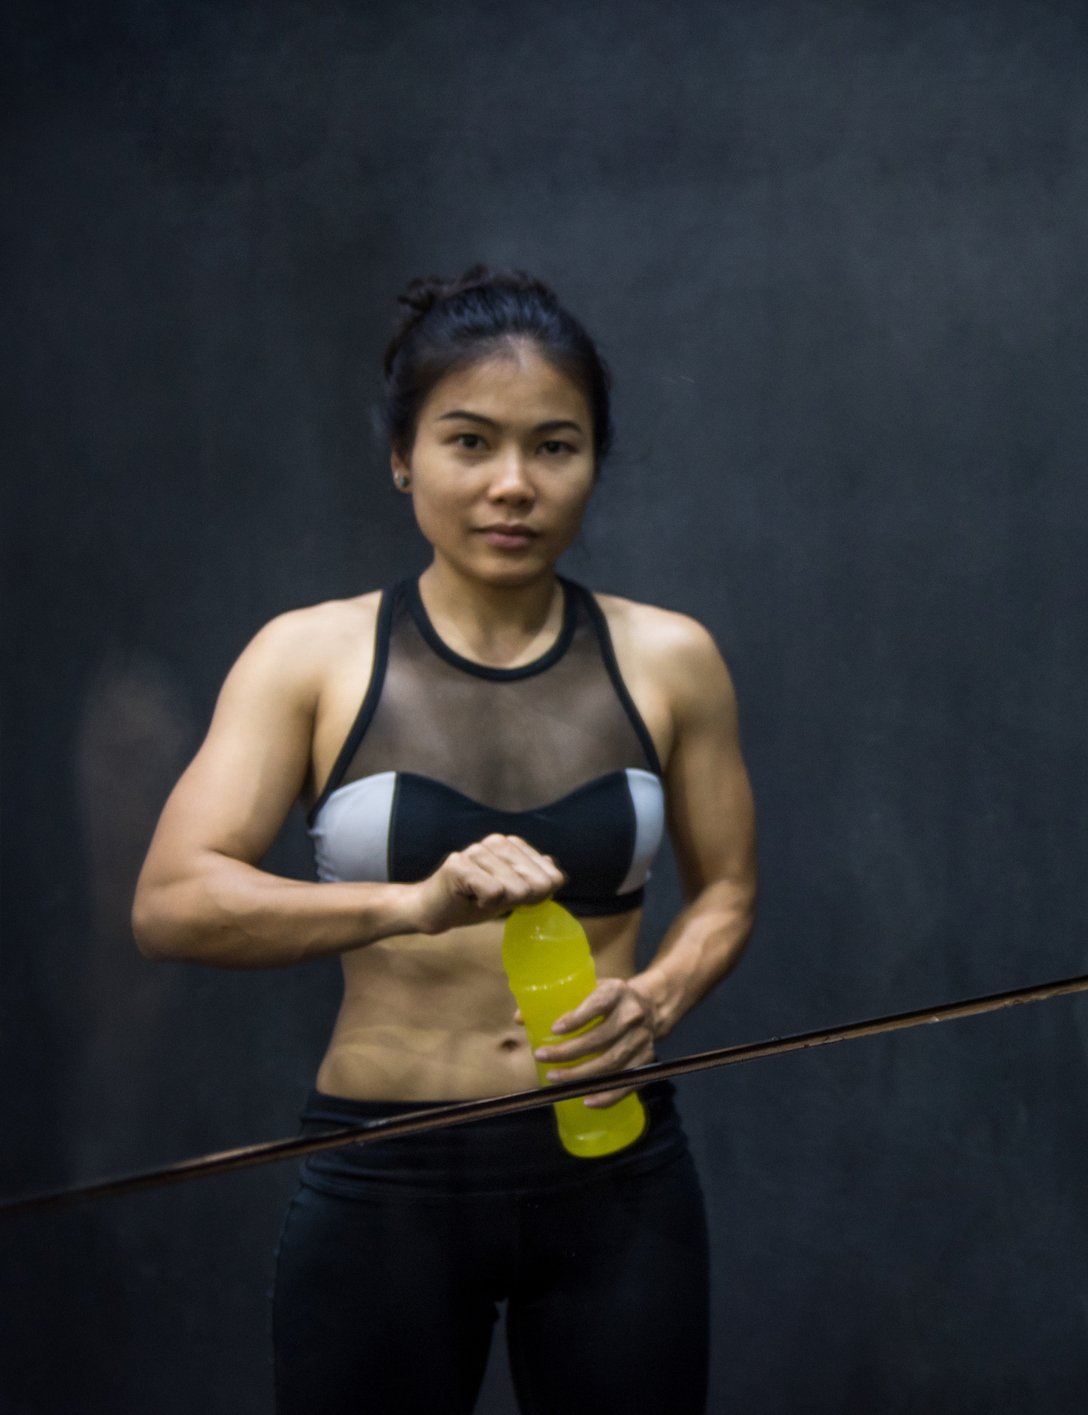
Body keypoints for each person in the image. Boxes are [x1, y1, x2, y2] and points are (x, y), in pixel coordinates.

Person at [133, 267, 755, 1414]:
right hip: (387, 1172)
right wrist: (407, 904)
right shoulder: (307, 656)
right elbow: (173, 898)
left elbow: (726, 892)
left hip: (614, 1166)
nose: (512, 485)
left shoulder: (670, 656)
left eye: (554, 447)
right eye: (470, 441)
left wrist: (660, 997)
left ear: (593, 461)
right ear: (402, 455)